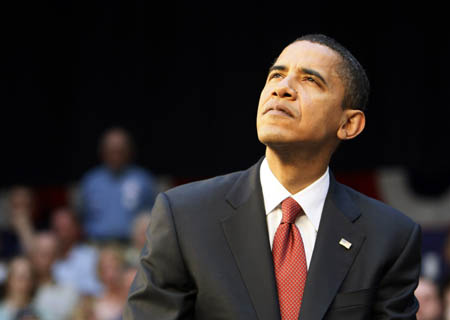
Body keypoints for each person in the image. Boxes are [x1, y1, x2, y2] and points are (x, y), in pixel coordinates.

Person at [124, 34, 421, 319]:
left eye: (310, 80)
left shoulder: (390, 237)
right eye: (276, 76)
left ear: (349, 123)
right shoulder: (184, 216)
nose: (283, 89)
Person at [80, 127, 157, 242]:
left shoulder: (143, 179)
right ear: (102, 152)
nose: (116, 156)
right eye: (111, 151)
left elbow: (153, 214)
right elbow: (80, 215)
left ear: (129, 151)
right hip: (96, 245)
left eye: (120, 151)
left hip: (132, 245)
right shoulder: (91, 181)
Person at [50, 207, 102, 296]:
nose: (63, 234)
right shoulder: (48, 259)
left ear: (76, 229)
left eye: (67, 228)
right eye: (59, 229)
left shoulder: (90, 255)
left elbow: (96, 288)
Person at [29, 232, 79, 320]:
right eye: (38, 252)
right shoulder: (19, 288)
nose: (40, 258)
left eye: (46, 254)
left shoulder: (68, 292)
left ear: (55, 257)